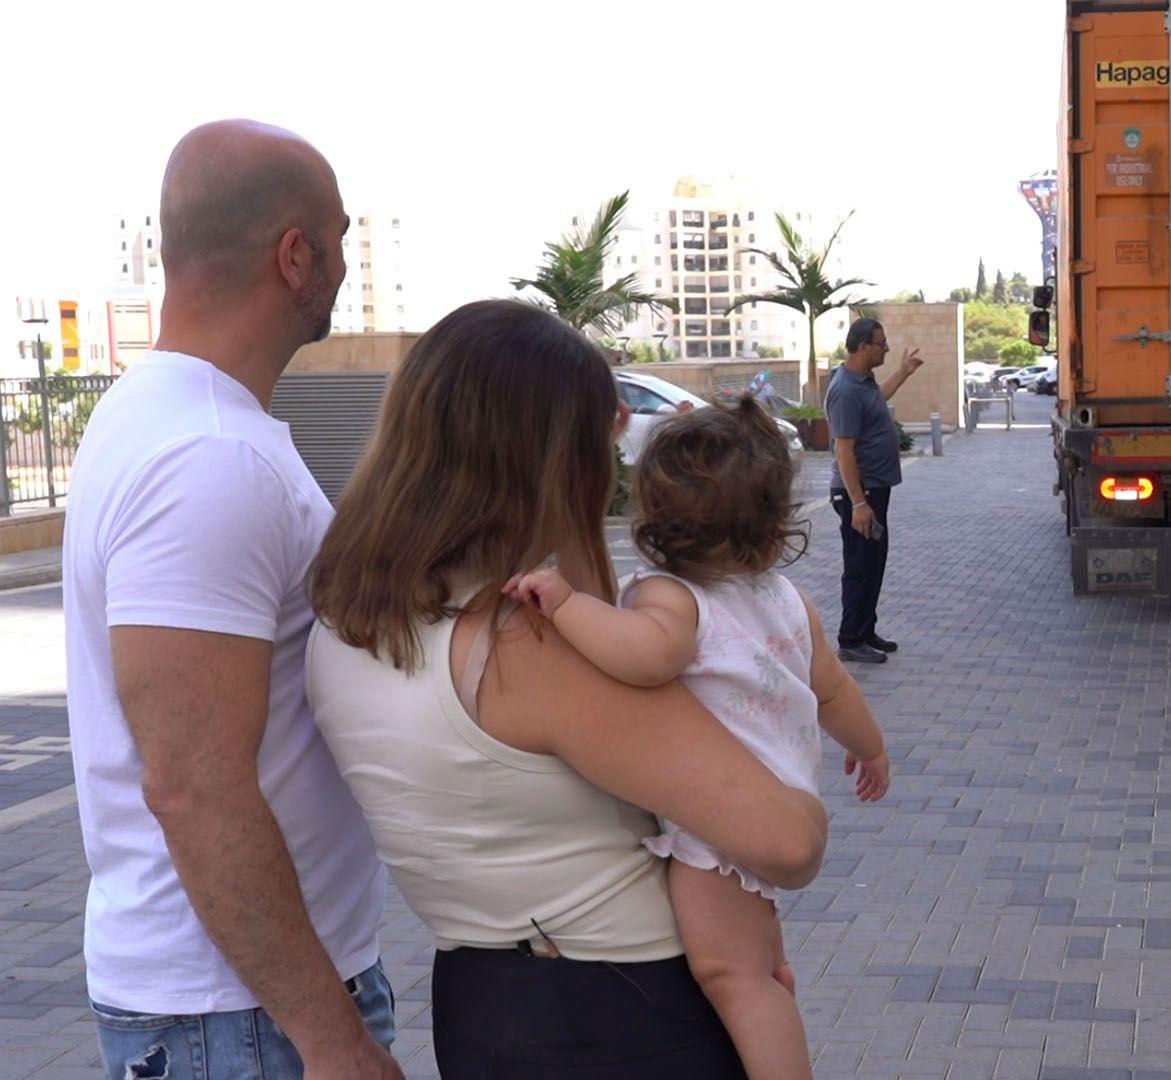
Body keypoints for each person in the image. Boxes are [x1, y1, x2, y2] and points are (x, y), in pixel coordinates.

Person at [306, 300, 830, 1077]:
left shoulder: (342, 626)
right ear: (555, 461)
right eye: (597, 450)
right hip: (628, 1014)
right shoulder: (523, 651)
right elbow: (788, 843)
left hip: (481, 1005)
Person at [61, 121, 398, 1080]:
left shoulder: (160, 415)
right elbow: (193, 785)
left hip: (237, 1006)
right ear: (296, 256)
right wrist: (333, 1040)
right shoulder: (208, 457)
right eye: (339, 237)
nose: (344, 264)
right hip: (245, 1019)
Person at [503, 395, 889, 1080]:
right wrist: (871, 747)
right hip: (778, 793)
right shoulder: (784, 597)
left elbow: (644, 657)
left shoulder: (671, 597)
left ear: (654, 521)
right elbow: (833, 690)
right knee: (759, 967)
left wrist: (567, 604)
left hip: (719, 829)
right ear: (773, 527)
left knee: (733, 977)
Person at [827, 317, 923, 664]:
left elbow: (878, 400)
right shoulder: (845, 390)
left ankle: (865, 630)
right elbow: (844, 450)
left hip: (874, 491)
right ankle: (850, 639)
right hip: (859, 493)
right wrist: (858, 503)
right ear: (864, 346)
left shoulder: (862, 382)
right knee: (859, 566)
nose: (886, 349)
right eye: (881, 343)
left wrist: (904, 372)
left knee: (873, 562)